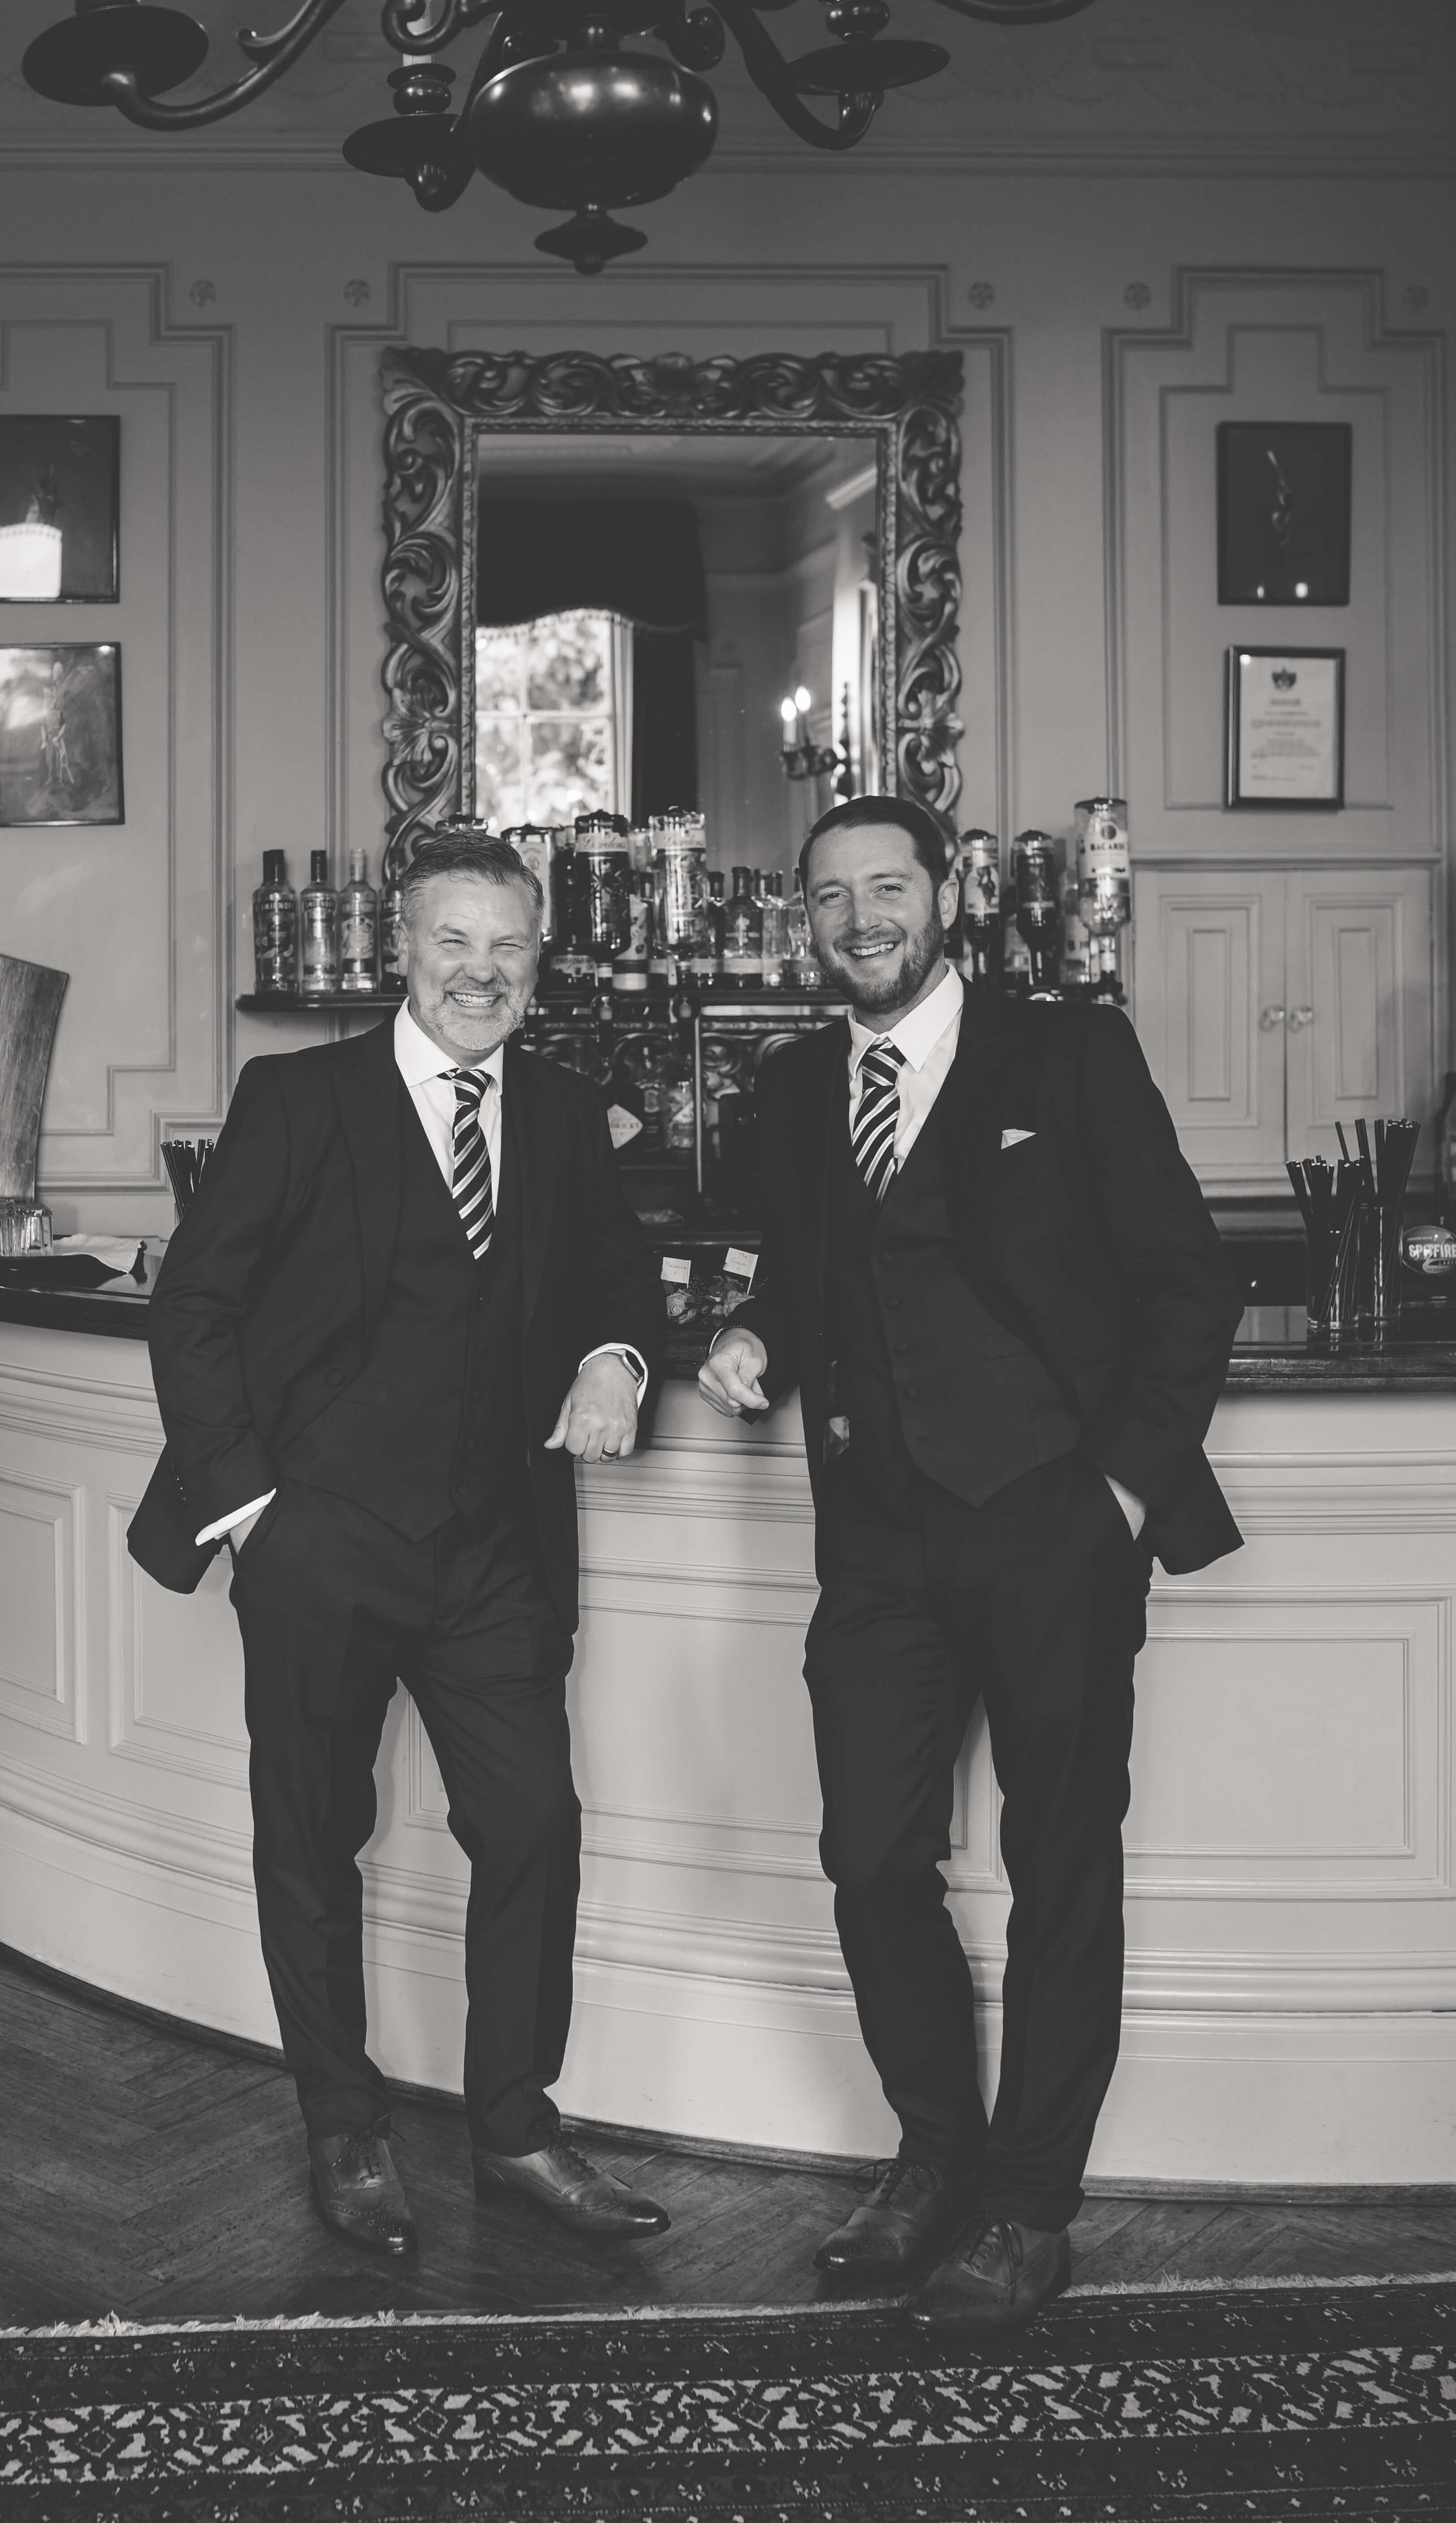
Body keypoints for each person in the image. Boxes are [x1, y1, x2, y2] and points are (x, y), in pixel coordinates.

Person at [700, 795, 1242, 2338]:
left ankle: (1026, 2200)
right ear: (800, 919)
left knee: (1058, 1866)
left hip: (1049, 1523)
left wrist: (1122, 1497)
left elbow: (1181, 1281)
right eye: (829, 897)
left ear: (943, 898)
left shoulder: (1064, 1054)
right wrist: (745, 1340)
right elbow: (792, 1283)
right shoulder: (794, 1085)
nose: (858, 917)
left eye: (887, 887)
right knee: (869, 1858)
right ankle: (932, 2153)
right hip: (876, 1539)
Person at [132, 827, 670, 2262]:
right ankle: (345, 2127)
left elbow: (617, 1270)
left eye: (506, 946)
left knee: (535, 1828)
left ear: (535, 960)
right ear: (399, 946)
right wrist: (256, 1515)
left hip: (495, 1546)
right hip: (321, 1540)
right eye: (454, 941)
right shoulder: (298, 1098)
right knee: (314, 1838)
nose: (480, 970)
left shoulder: (561, 1111)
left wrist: (616, 1356)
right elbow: (195, 1310)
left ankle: (512, 2127)